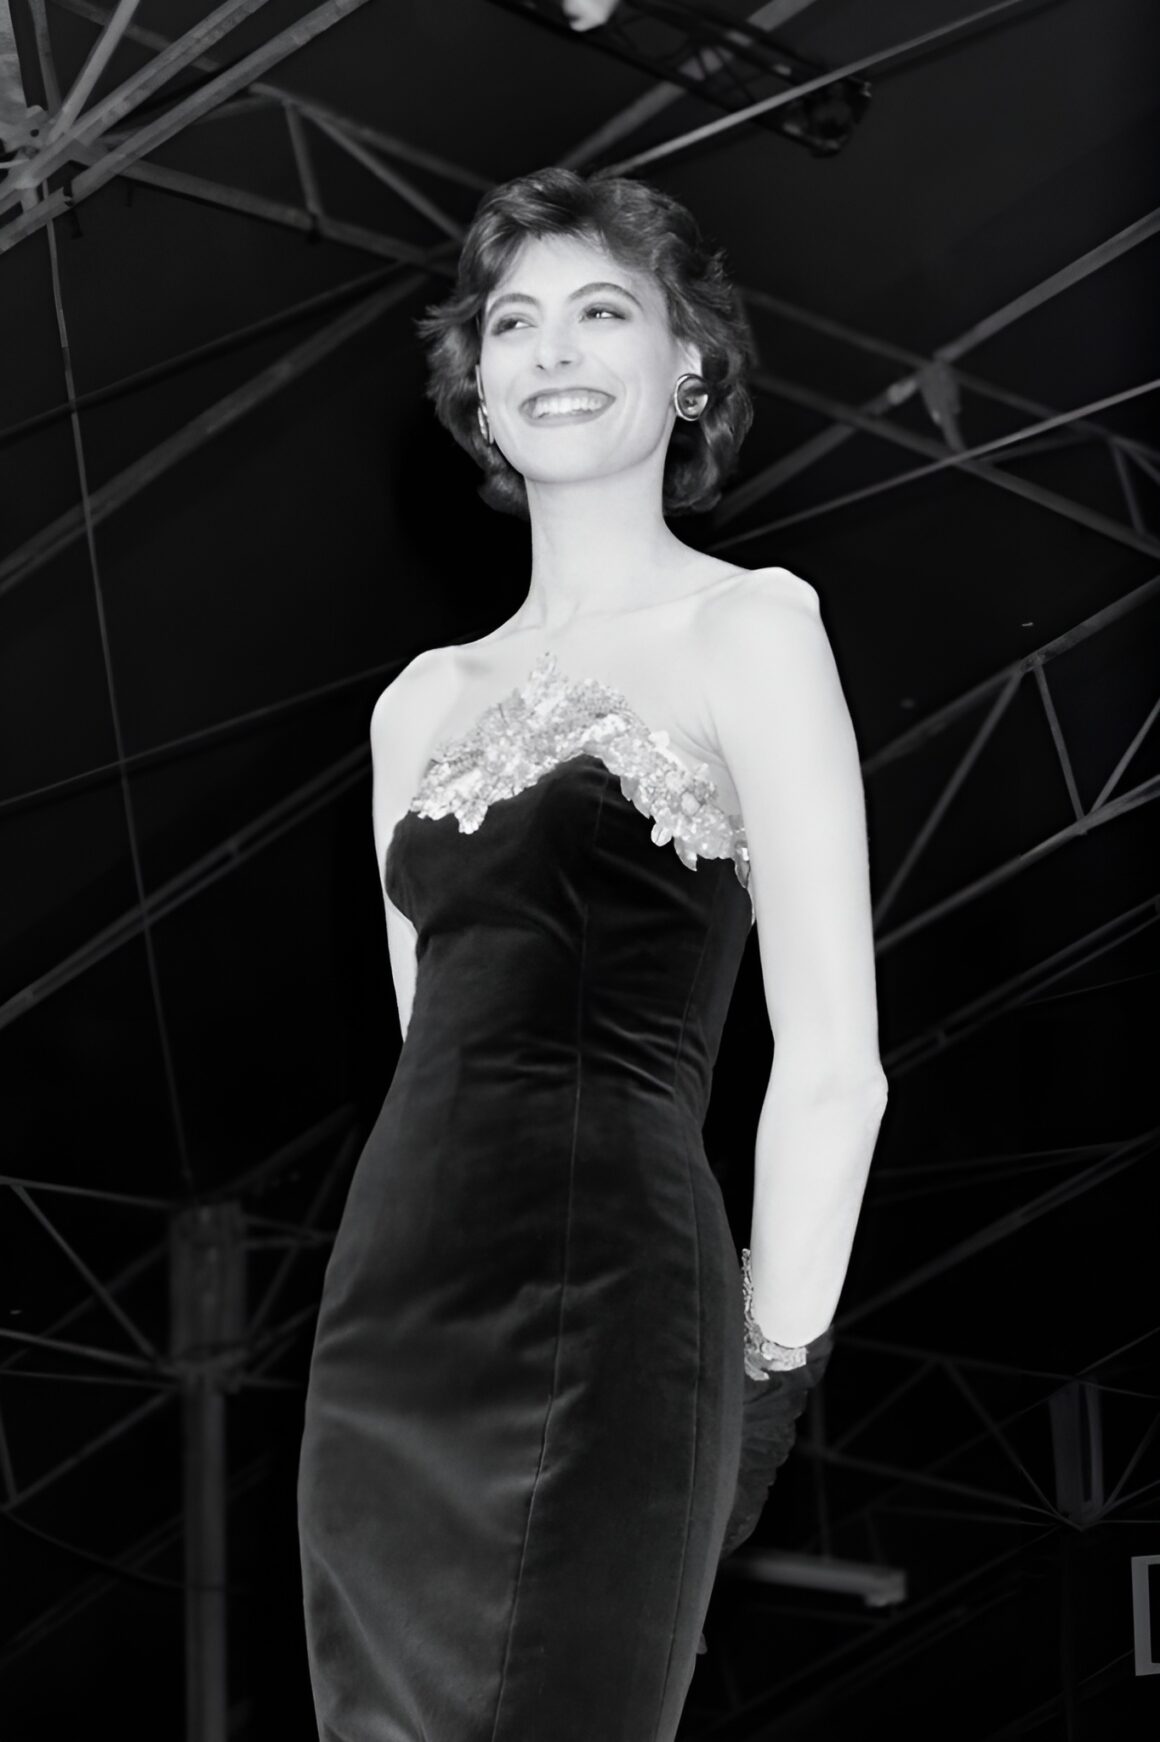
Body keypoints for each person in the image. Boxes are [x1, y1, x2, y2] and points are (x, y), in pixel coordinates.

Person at [297, 165, 888, 1742]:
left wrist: (768, 1381)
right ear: (477, 382)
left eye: (603, 310)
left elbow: (835, 1071)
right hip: (388, 1329)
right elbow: (427, 1048)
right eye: (515, 322)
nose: (553, 350)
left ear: (688, 362)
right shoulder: (417, 704)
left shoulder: (750, 629)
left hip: (618, 1296)